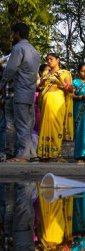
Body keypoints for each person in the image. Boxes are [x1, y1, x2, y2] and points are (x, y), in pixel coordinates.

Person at [0, 23, 41, 162]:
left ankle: (22, 156)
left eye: (13, 33)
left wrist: (1, 84)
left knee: (21, 124)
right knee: (27, 124)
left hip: (20, 92)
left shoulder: (18, 48)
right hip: (30, 91)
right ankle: (32, 154)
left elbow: (10, 70)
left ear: (17, 33)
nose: (13, 36)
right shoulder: (35, 51)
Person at [36, 53, 74, 162]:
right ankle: (43, 154)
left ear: (58, 60)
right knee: (44, 127)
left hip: (58, 102)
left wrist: (61, 81)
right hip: (45, 103)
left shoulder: (65, 73)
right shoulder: (46, 73)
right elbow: (38, 87)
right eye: (47, 59)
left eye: (51, 59)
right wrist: (43, 79)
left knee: (56, 127)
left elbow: (71, 90)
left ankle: (55, 154)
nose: (49, 61)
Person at [36, 185, 74, 251]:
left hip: (44, 228)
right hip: (56, 232)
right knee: (55, 203)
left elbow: (37, 247)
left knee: (44, 199)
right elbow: (67, 245)